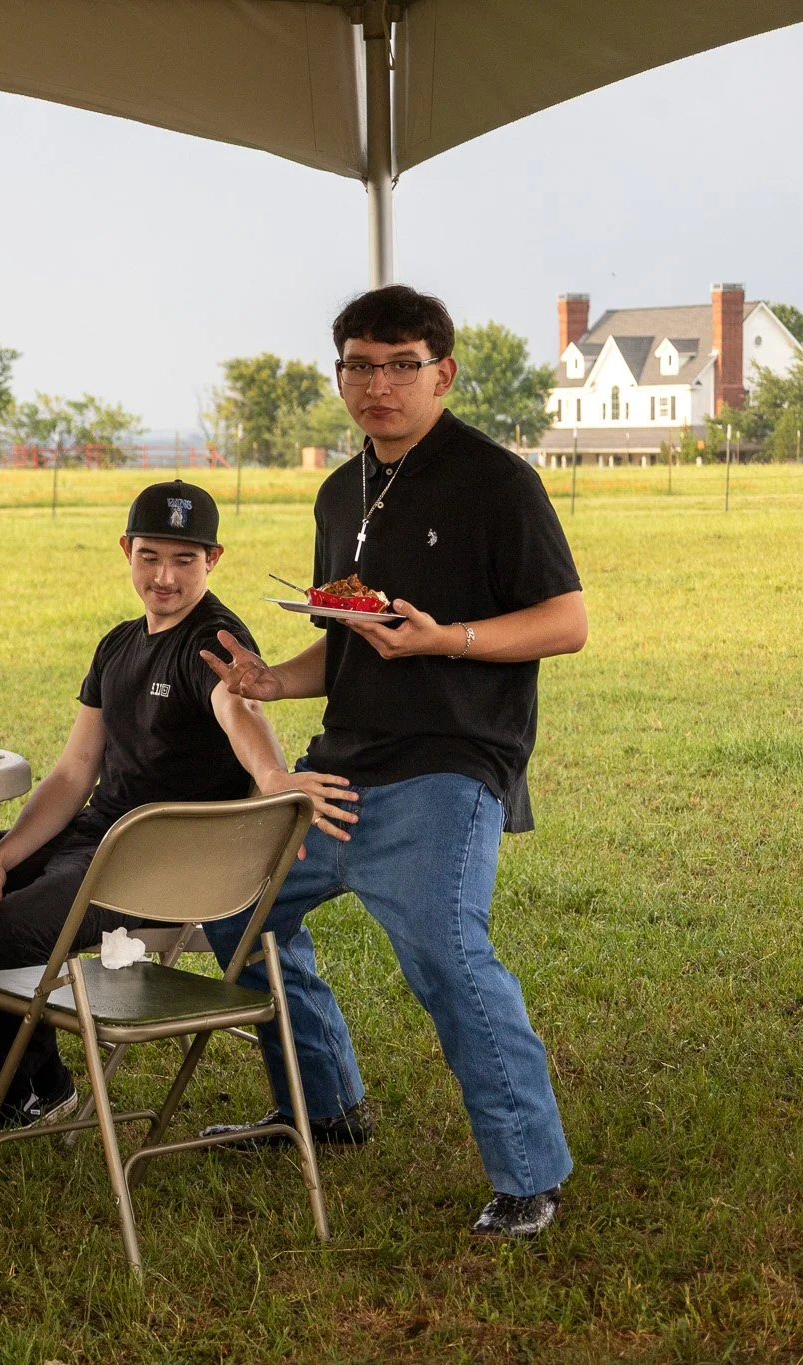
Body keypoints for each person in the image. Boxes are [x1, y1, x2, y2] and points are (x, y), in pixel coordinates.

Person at [200, 285, 587, 1239]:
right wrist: (271, 681)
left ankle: (529, 1175)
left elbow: (566, 623)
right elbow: (348, 639)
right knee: (234, 912)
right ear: (340, 375)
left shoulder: (498, 482)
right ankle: (325, 1106)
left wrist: (443, 640)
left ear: (442, 373)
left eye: (401, 365)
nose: (379, 384)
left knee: (449, 956)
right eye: (361, 365)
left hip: (450, 765)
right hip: (340, 768)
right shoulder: (343, 490)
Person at [0, 480, 358, 1128]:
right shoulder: (118, 643)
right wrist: (2, 856)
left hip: (156, 862)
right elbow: (72, 773)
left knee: (8, 926)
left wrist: (272, 775)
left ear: (214, 558)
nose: (165, 576)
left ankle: (36, 1084)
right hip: (92, 834)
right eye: (150, 556)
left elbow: (239, 705)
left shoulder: (215, 639)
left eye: (184, 559)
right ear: (126, 550)